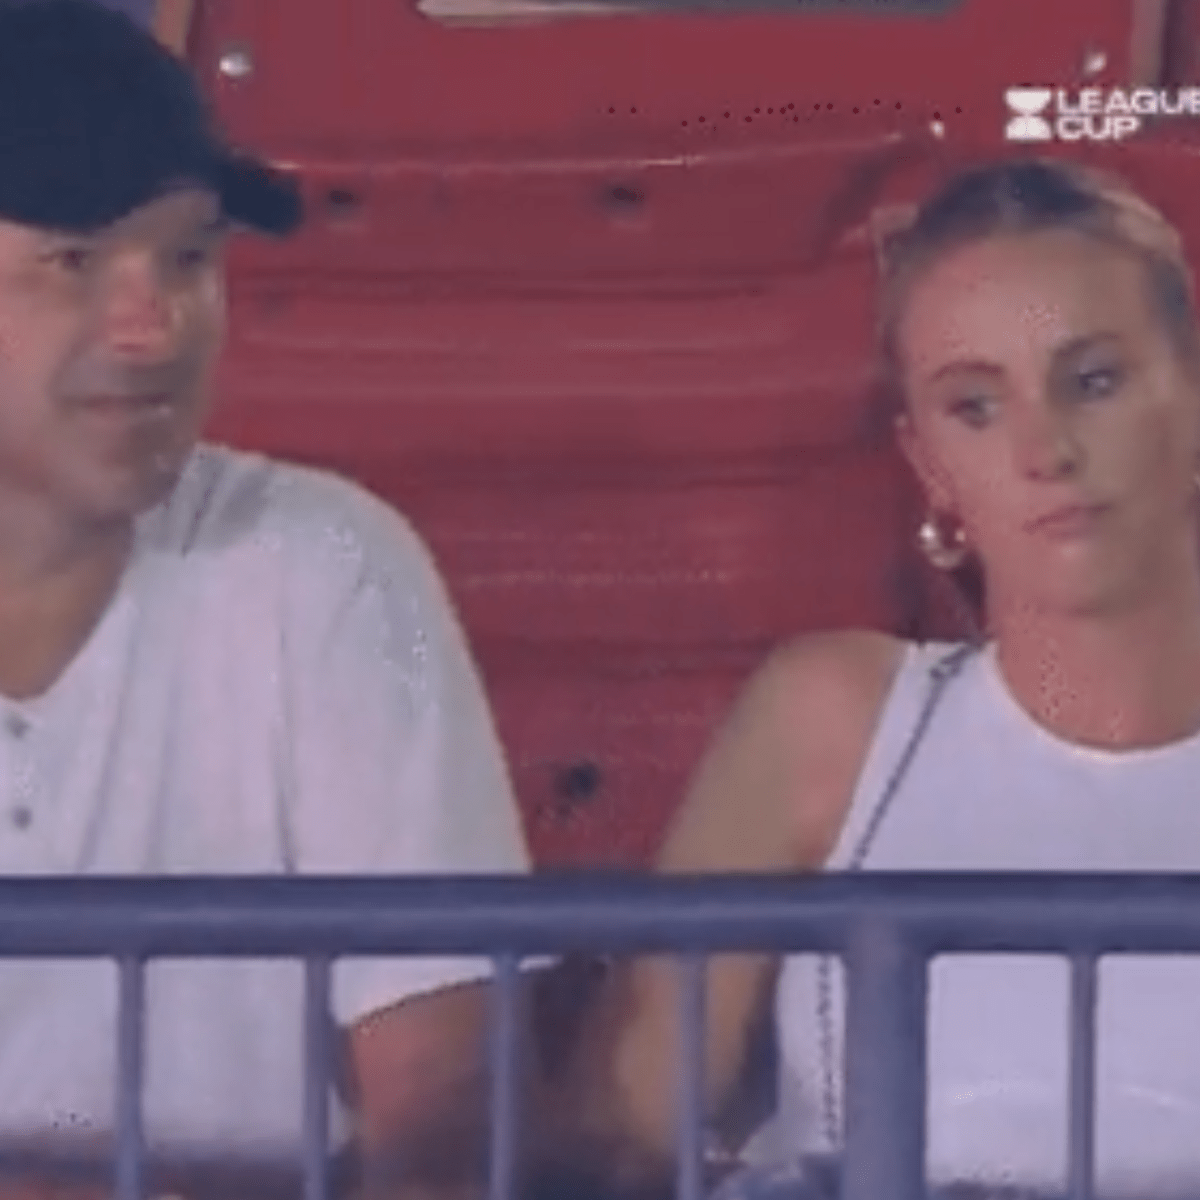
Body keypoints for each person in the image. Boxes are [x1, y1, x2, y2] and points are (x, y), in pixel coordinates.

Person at [539, 155, 1200, 1200]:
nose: (1046, 449)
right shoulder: (837, 722)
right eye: (975, 406)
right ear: (929, 464)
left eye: (1096, 381)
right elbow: (618, 1139)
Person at [0, 2, 541, 1197]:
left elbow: (449, 1088)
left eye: (190, 257)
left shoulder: (326, 561)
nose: (154, 326)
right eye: (74, 261)